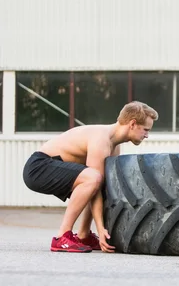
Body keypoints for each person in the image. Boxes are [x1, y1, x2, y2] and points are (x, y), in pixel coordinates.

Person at [22, 101, 158, 253]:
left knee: (96, 183)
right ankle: (62, 237)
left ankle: (84, 235)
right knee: (93, 178)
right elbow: (94, 180)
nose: (147, 135)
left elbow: (98, 189)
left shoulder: (114, 144)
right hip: (39, 167)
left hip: (52, 166)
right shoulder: (101, 139)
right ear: (132, 124)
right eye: (145, 130)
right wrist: (101, 230)